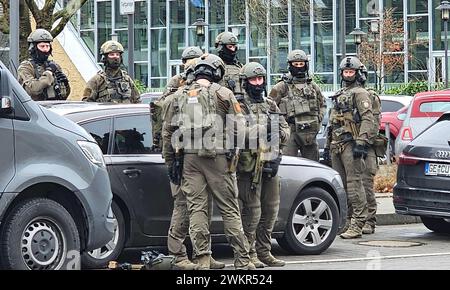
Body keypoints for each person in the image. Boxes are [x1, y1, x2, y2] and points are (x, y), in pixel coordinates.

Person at [162, 53, 254, 270]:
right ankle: (242, 260)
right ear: (217, 72)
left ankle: (203, 259)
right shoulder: (224, 93)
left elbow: (167, 131)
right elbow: (240, 130)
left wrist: (170, 162)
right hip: (218, 158)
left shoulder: (178, 95)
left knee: (197, 209)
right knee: (229, 208)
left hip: (189, 159)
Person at [236, 62, 290, 268]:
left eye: (260, 79)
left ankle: (264, 251)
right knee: (252, 212)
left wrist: (277, 135)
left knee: (271, 209)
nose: (258, 84)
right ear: (245, 82)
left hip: (271, 161)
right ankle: (248, 254)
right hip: (248, 167)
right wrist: (262, 129)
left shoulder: (270, 105)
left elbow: (285, 130)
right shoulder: (239, 106)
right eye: (253, 80)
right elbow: (238, 133)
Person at [326, 56, 374, 239]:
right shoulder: (340, 92)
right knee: (342, 185)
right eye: (345, 72)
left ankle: (359, 222)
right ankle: (346, 221)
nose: (348, 75)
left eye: (351, 72)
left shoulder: (360, 93)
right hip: (336, 143)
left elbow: (368, 119)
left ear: (357, 73)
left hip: (350, 143)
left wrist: (361, 142)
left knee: (354, 184)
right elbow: (332, 121)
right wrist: (328, 145)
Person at [269, 49, 325, 161]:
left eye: (301, 64)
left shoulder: (312, 86)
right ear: (290, 65)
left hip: (309, 133)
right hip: (290, 132)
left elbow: (322, 105)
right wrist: (279, 129)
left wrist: (318, 119)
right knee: (287, 164)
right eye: (295, 64)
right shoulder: (281, 87)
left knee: (313, 165)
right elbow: (270, 108)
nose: (299, 67)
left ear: (306, 65)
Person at [17, 29, 70, 101]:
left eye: (47, 46)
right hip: (35, 108)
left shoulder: (54, 65)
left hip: (55, 106)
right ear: (33, 48)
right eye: (42, 46)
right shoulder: (26, 67)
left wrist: (65, 84)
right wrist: (49, 73)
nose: (45, 49)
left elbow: (64, 95)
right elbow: (34, 89)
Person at [359, 65, 381, 235]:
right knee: (351, 186)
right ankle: (354, 220)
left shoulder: (370, 97)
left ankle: (369, 221)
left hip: (367, 149)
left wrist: (363, 142)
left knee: (366, 184)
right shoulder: (344, 96)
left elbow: (373, 125)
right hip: (348, 147)